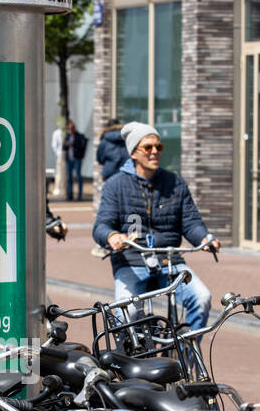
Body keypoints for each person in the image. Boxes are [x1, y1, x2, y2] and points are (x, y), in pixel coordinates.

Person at [92, 121, 220, 332]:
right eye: (148, 147)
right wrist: (112, 236)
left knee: (202, 298)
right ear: (133, 153)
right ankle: (126, 360)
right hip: (131, 262)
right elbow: (102, 225)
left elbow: (191, 221)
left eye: (158, 147)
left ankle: (187, 356)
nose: (154, 152)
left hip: (169, 261)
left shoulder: (175, 183)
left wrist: (205, 238)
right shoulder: (115, 185)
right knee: (126, 313)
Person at [63, 119, 88, 201]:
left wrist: (73, 144)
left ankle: (79, 194)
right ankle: (70, 195)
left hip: (77, 159)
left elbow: (81, 146)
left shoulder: (79, 136)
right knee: (69, 177)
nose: (71, 130)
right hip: (69, 160)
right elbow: (63, 147)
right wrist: (67, 144)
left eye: (72, 129)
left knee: (78, 176)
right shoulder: (67, 136)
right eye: (69, 129)